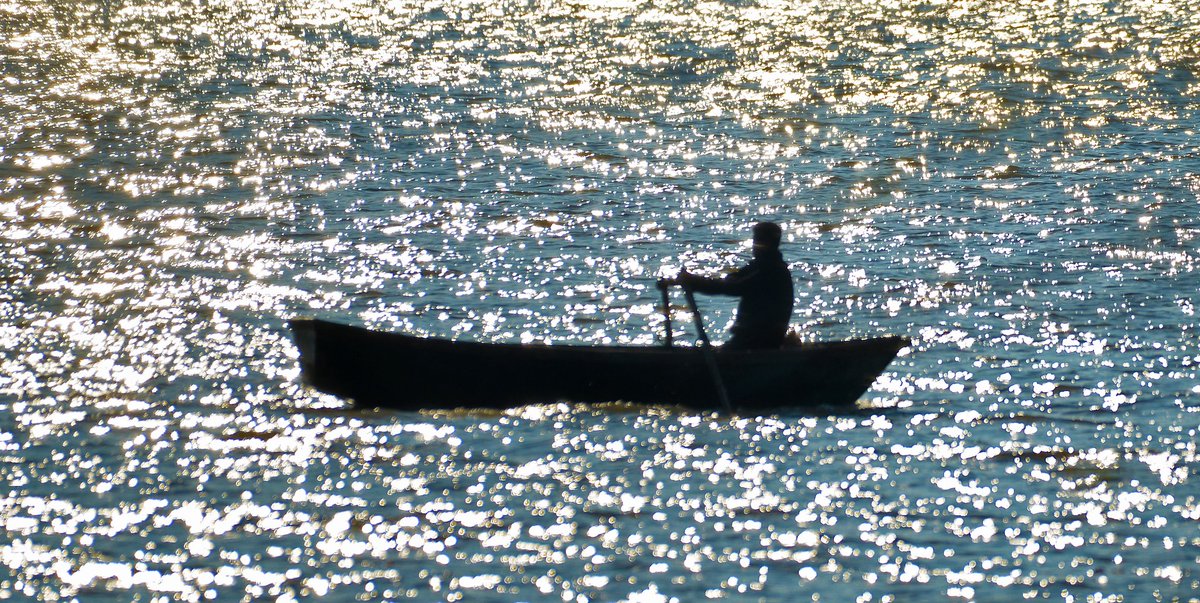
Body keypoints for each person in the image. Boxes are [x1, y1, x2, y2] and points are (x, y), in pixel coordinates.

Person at [660, 221, 794, 350]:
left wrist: (694, 282)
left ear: (768, 243)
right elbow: (732, 279)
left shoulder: (771, 270)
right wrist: (695, 280)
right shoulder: (759, 266)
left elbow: (733, 287)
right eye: (755, 241)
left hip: (758, 342)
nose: (755, 245)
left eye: (758, 241)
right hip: (749, 340)